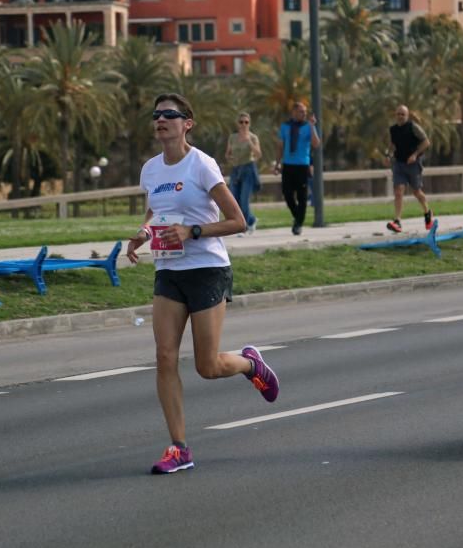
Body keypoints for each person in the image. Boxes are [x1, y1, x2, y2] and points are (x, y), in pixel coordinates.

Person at [126, 92, 280, 475]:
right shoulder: (151, 169)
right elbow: (157, 208)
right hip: (168, 270)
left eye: (169, 114)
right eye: (157, 114)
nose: (161, 119)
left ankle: (251, 366)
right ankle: (179, 448)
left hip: (208, 268)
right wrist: (144, 232)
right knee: (164, 356)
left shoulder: (202, 165)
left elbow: (237, 220)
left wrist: (192, 230)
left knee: (207, 366)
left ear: (186, 124)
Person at [274, 101, 320, 235]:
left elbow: (316, 144)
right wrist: (277, 164)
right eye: (301, 111)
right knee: (287, 194)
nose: (304, 114)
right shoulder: (285, 127)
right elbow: (280, 147)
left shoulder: (308, 126)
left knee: (302, 196)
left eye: (305, 112)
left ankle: (298, 224)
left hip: (302, 165)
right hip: (288, 165)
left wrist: (312, 126)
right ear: (293, 112)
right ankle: (298, 217)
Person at [385, 105, 432, 233]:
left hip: (413, 164)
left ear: (407, 115)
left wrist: (415, 155)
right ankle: (397, 221)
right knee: (398, 191)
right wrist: (388, 155)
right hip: (399, 164)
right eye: (398, 114)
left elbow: (426, 142)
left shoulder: (413, 127)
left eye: (403, 114)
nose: (400, 116)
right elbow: (392, 144)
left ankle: (427, 213)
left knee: (417, 192)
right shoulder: (393, 129)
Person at [224, 112, 262, 235]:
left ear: (249, 123)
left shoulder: (253, 137)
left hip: (248, 169)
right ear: (238, 124)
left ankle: (243, 227)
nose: (244, 124)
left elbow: (258, 154)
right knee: (235, 200)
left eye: (246, 122)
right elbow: (227, 154)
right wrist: (230, 160)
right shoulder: (232, 137)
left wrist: (249, 142)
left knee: (244, 200)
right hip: (236, 170)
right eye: (241, 122)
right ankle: (251, 220)